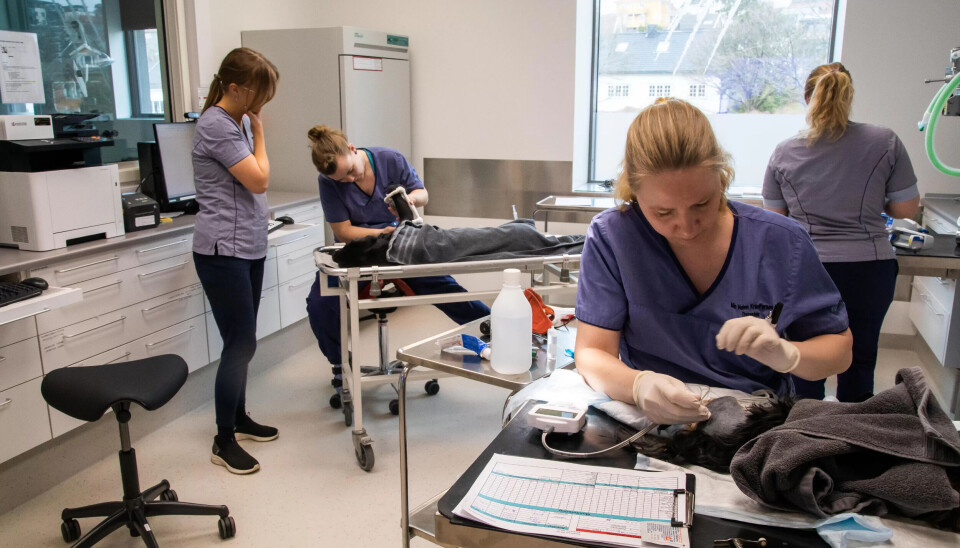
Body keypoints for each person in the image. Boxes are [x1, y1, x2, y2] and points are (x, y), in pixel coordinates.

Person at [575, 98, 853, 426]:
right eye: (663, 213)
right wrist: (638, 385)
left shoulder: (780, 242)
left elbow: (840, 351)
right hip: (649, 419)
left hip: (749, 424)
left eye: (702, 204)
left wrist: (788, 356)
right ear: (633, 192)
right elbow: (592, 353)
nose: (686, 226)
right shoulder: (614, 237)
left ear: (721, 179)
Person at [763, 62, 920, 402]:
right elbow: (906, 209)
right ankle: (855, 442)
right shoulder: (885, 142)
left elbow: (775, 218)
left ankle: (804, 442)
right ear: (849, 96)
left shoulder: (784, 152)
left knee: (804, 360)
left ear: (808, 97)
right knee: (860, 360)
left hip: (807, 269)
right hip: (869, 268)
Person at [304, 126, 490, 394]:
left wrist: (409, 199)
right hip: (360, 252)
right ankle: (340, 363)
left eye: (350, 171)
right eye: (341, 179)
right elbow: (343, 231)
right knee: (320, 304)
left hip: (402, 245)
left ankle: (498, 329)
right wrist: (384, 232)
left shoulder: (390, 159)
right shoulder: (329, 182)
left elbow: (423, 194)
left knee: (448, 290)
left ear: (353, 149)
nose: (348, 180)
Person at [192, 47, 279, 474]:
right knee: (239, 343)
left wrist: (252, 122)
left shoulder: (237, 120)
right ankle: (222, 440)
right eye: (257, 94)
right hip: (222, 252)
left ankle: (239, 417)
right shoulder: (215, 124)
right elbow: (260, 180)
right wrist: (260, 133)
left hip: (248, 246)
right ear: (233, 88)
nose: (261, 103)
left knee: (245, 342)